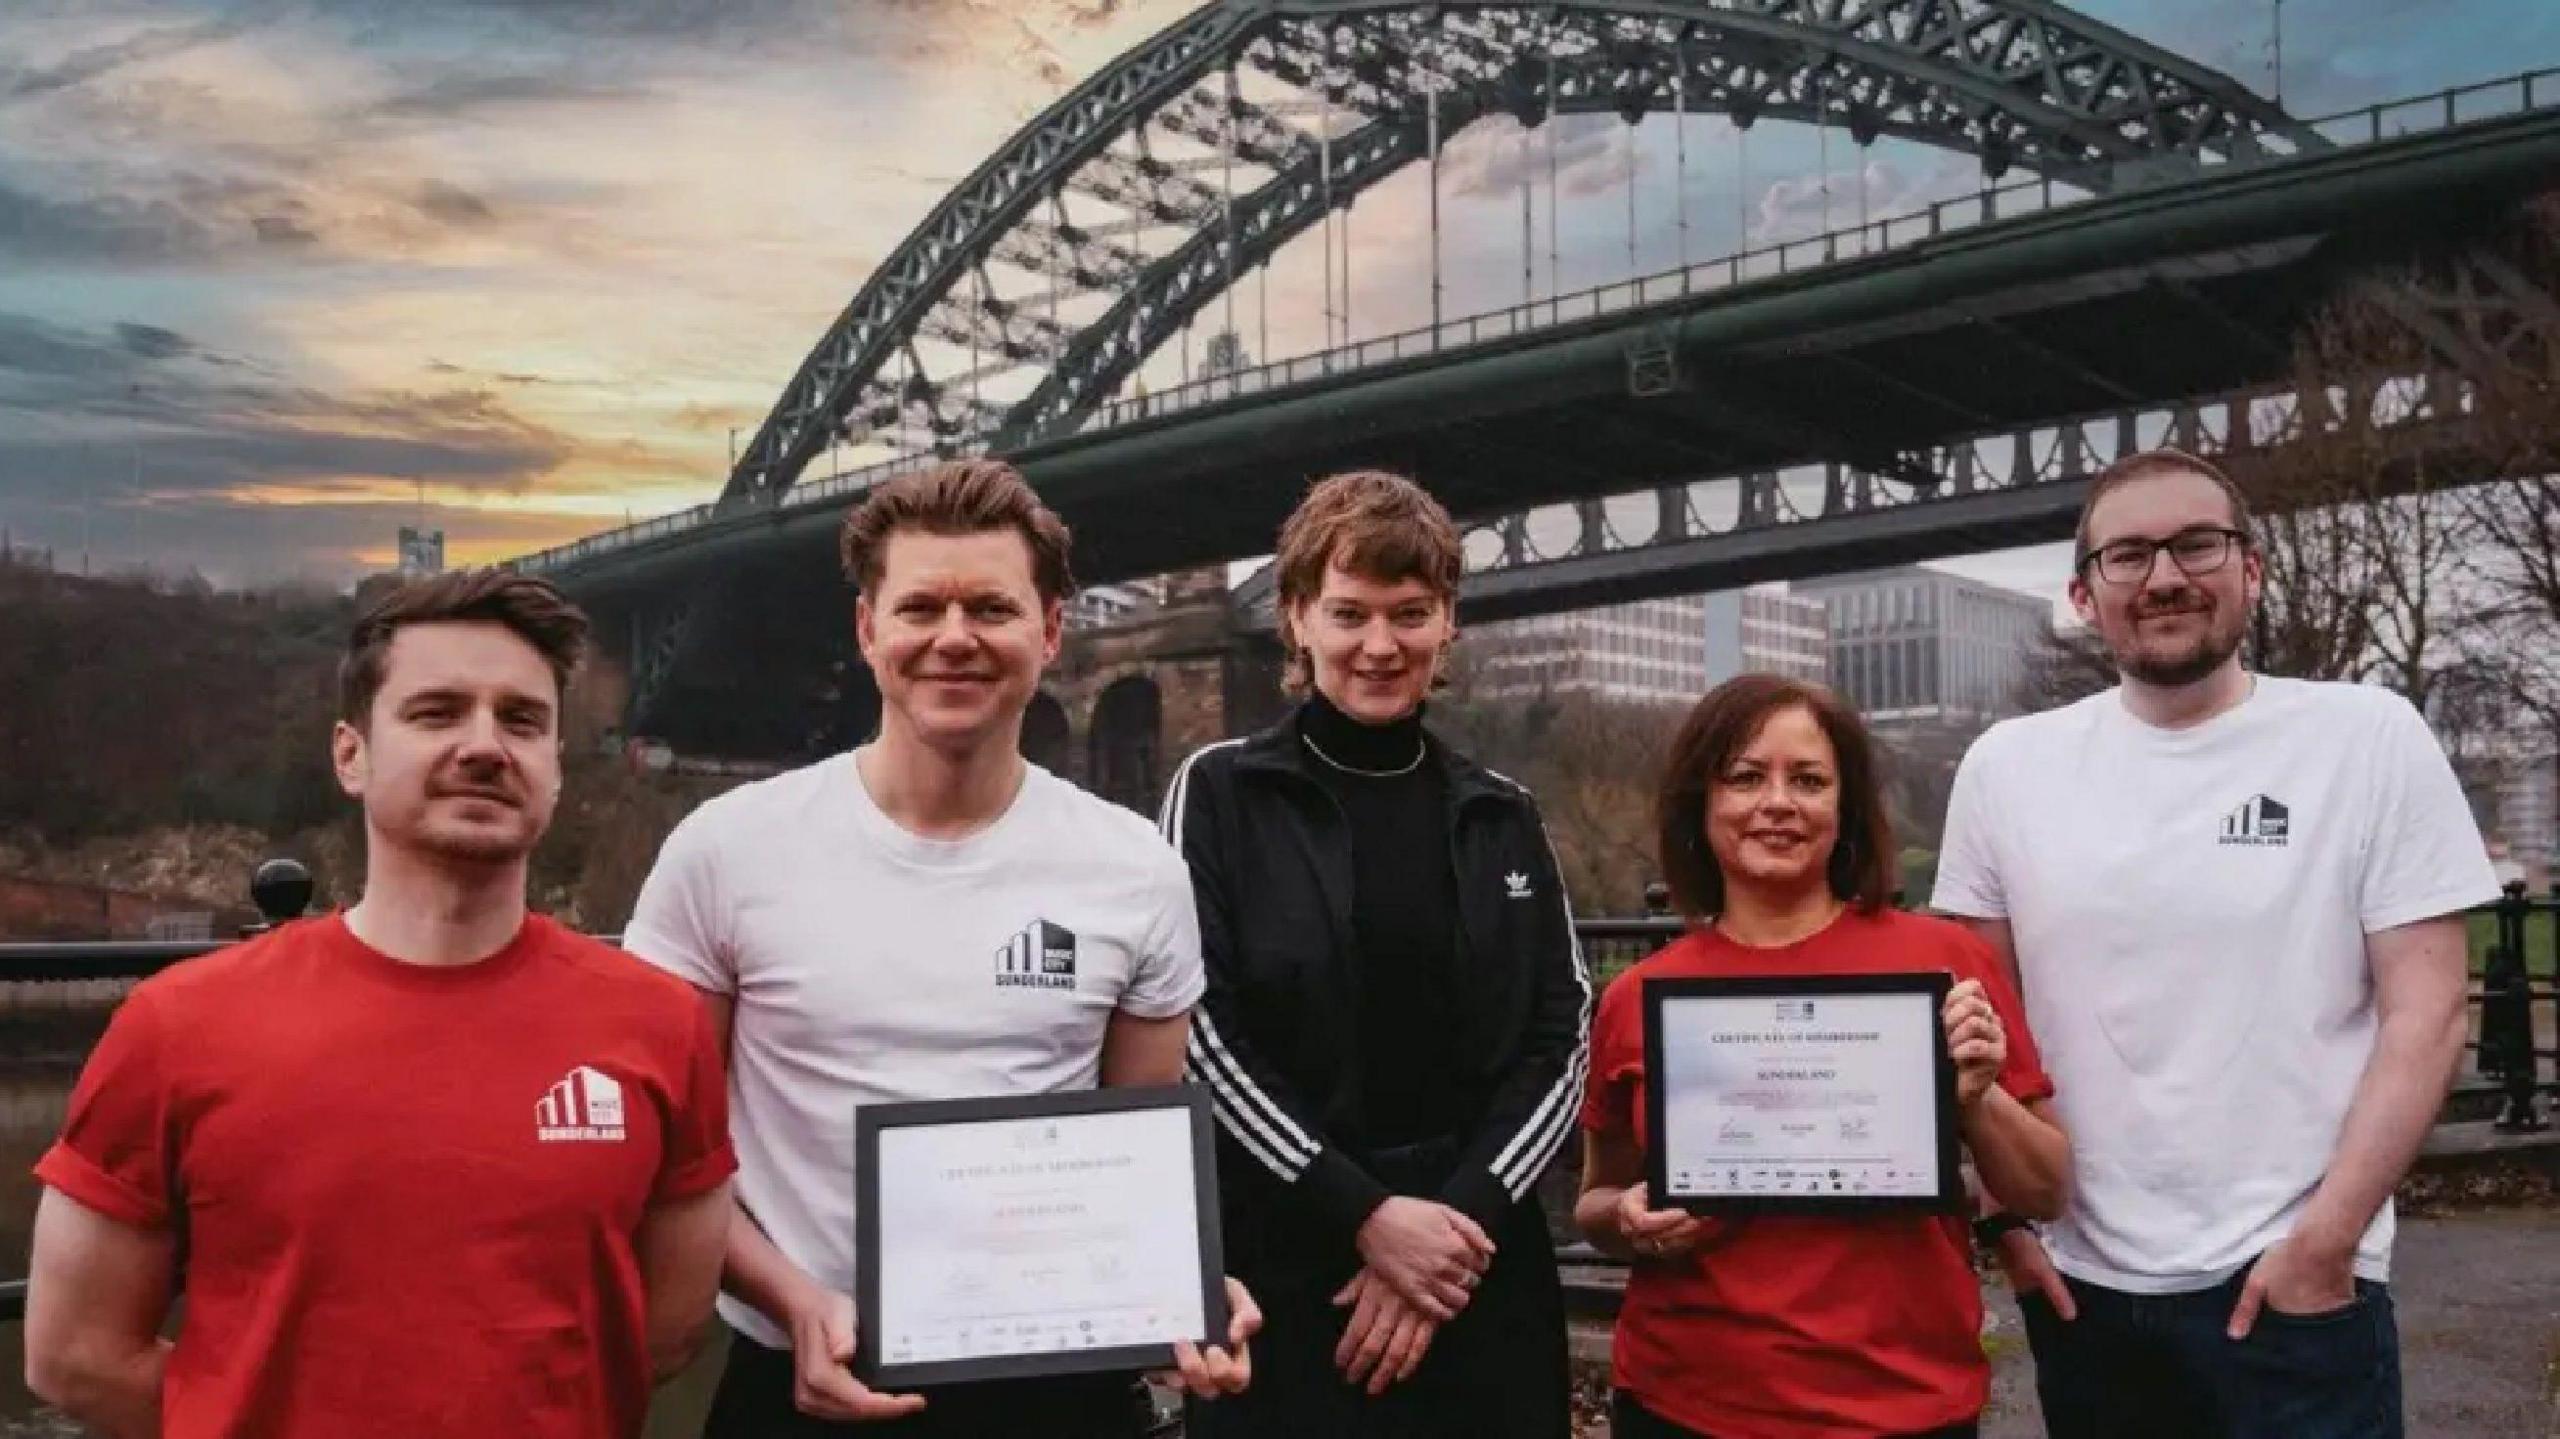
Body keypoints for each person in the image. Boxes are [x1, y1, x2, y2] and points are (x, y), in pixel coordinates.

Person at [623, 459, 1258, 1438]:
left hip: (1054, 1392)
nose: (953, 637)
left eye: (991, 608)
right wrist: (793, 1297)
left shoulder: (1133, 867)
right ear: (868, 629)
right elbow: (669, 1148)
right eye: (919, 606)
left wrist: (1177, 1281)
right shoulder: (726, 849)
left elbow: (1133, 1149)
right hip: (800, 1372)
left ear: (1047, 632)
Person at [25, 570, 737, 1439]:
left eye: (521, 720)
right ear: (349, 754)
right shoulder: (177, 1025)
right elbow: (73, 1351)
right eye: (436, 712)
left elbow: (663, 1331)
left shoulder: (659, 1024)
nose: (485, 745)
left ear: (554, 765)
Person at [1933, 447, 2497, 1438]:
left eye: (2196, 542)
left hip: (2298, 1289)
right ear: (2082, 589)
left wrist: (2327, 1241)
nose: (2163, 576)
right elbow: (1978, 1025)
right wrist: (2005, 1226)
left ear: (2252, 567)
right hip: (2082, 1291)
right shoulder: (2004, 768)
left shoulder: (2367, 737)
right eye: (2128, 554)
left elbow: (2429, 1009)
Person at [1161, 470, 1589, 1439]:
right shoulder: (1220, 791)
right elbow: (1198, 1023)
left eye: (1411, 613)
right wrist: (1364, 1213)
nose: (1380, 645)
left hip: (1476, 1262)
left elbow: (1560, 1034)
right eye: (1349, 613)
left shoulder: (1502, 809)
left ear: (1448, 625)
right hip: (1290, 1262)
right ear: (1296, 619)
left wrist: (1452, 1228)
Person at [1578, 674, 2069, 1439]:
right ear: (1699, 804)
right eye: (1745, 776)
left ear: (1843, 808)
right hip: (1685, 1405)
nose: (1778, 801)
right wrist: (1627, 1218)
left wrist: (1977, 1096)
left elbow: (2045, 1188)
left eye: (1808, 779)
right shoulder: (1637, 996)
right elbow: (1595, 1201)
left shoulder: (1946, 962)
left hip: (1903, 1406)